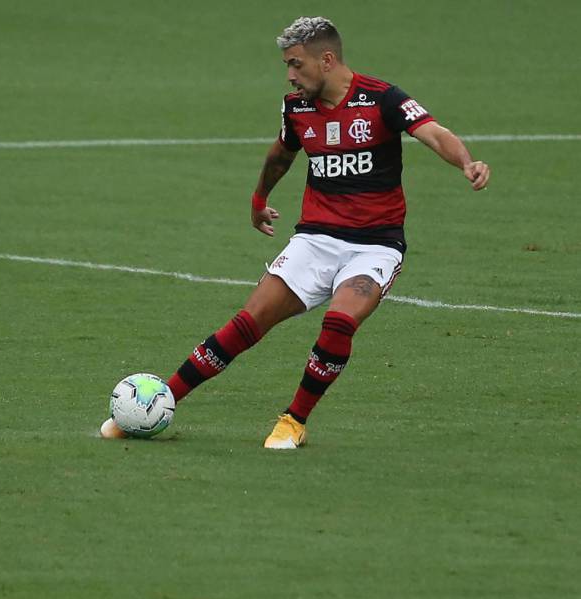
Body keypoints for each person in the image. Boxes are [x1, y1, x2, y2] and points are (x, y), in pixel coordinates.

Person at [102, 16, 490, 448]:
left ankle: (294, 420)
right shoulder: (297, 107)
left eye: (296, 64)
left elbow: (433, 132)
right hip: (315, 240)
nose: (290, 74)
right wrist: (258, 198)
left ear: (326, 60)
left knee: (340, 321)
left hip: (375, 248)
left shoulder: (382, 99)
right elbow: (281, 155)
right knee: (248, 323)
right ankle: (160, 402)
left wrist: (466, 162)